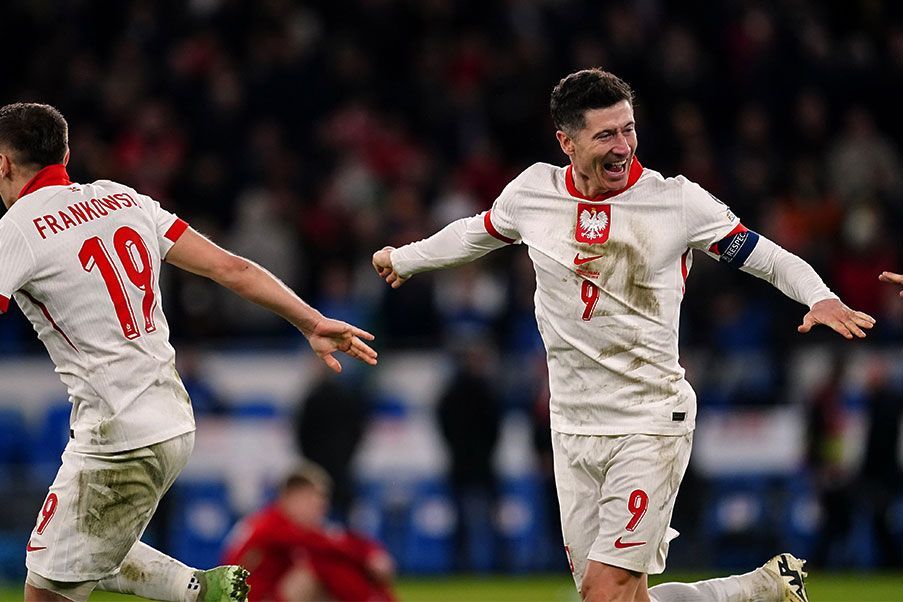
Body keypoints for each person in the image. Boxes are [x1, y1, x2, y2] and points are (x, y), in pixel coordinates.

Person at [372, 69, 876, 602]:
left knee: (606, 590)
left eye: (629, 130)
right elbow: (476, 232)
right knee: (616, 597)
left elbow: (764, 255)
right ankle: (760, 590)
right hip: (572, 427)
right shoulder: (532, 193)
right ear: (566, 142)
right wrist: (404, 259)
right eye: (606, 135)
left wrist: (819, 296)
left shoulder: (676, 203)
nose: (623, 148)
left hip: (649, 420)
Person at [0, 103, 378, 602]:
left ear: (4, 164)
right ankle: (198, 588)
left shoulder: (19, 229)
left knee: (46, 590)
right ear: (66, 154)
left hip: (118, 434)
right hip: (172, 419)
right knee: (69, 551)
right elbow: (232, 269)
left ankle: (197, 593)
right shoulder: (122, 199)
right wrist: (310, 320)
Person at [222, 463, 396, 602]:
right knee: (316, 569)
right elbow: (331, 543)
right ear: (293, 497)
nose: (322, 507)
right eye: (315, 499)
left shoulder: (270, 521)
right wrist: (368, 556)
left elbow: (334, 539)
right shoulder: (272, 526)